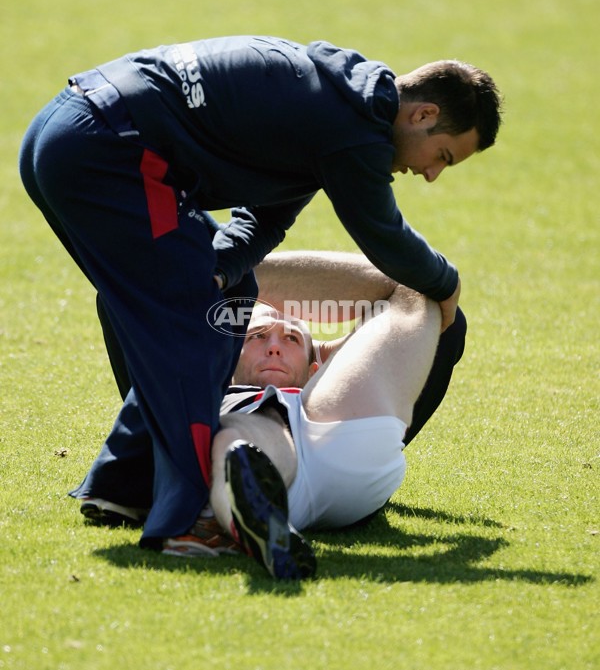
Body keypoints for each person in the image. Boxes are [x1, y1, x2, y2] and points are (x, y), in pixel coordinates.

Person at [19, 35, 501, 553]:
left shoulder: (337, 103)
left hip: (64, 134)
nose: (430, 174)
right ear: (424, 114)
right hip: (109, 151)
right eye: (443, 156)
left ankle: (119, 486)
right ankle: (183, 522)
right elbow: (382, 235)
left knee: (228, 296)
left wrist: (223, 267)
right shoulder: (353, 129)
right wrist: (446, 283)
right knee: (199, 318)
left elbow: (265, 215)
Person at [75, 251, 466, 580]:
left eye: (292, 339)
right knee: (245, 427)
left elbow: (437, 320)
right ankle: (248, 507)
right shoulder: (203, 388)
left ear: (317, 363)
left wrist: (212, 274)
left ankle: (234, 503)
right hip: (250, 442)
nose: (275, 347)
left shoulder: (326, 380)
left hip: (333, 432)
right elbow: (119, 298)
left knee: (420, 295)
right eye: (257, 337)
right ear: (225, 355)